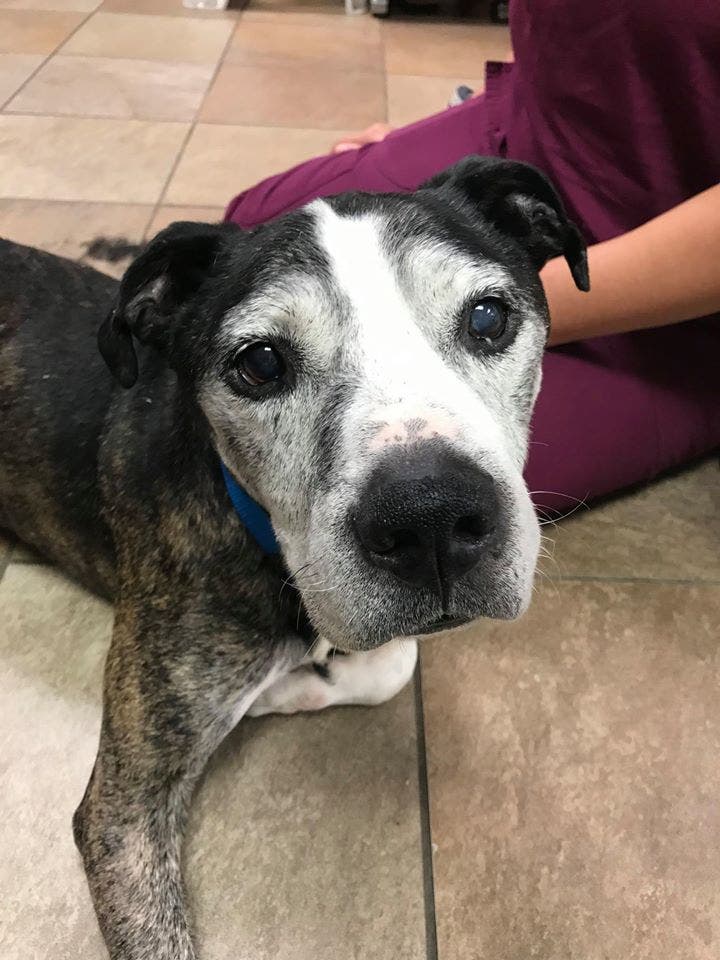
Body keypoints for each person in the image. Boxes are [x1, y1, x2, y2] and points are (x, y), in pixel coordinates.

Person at [224, 0, 720, 513]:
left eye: (485, 321)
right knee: (249, 226)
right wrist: (451, 119)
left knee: (441, 490)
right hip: (537, 131)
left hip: (685, 286)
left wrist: (486, 309)